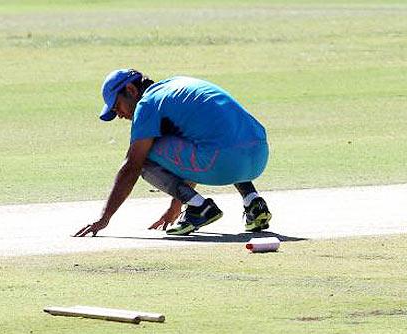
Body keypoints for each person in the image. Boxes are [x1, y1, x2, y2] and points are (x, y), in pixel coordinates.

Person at [74, 69, 271, 237]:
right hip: (259, 155)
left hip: (224, 161)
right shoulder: (176, 85)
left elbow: (131, 167)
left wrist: (104, 218)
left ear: (131, 90)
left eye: (117, 107)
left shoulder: (147, 105)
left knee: (142, 156)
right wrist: (175, 207)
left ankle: (200, 208)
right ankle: (253, 202)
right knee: (215, 136)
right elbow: (192, 149)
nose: (119, 115)